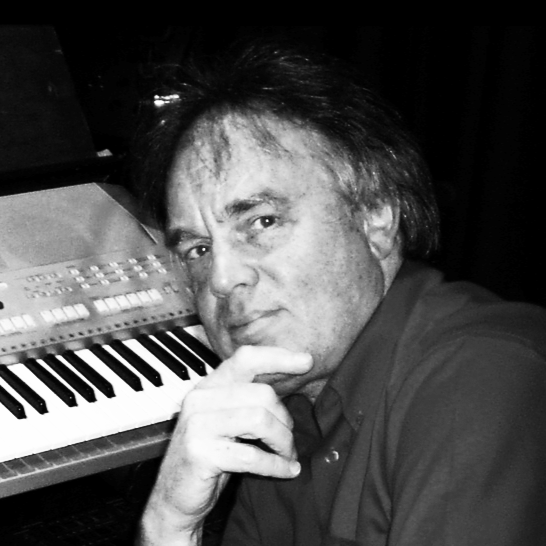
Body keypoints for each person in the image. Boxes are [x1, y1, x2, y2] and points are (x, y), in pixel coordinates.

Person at [133, 41, 546, 545]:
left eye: (262, 222)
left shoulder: (479, 375)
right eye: (198, 249)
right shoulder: (288, 409)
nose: (221, 279)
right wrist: (170, 522)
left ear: (376, 217)